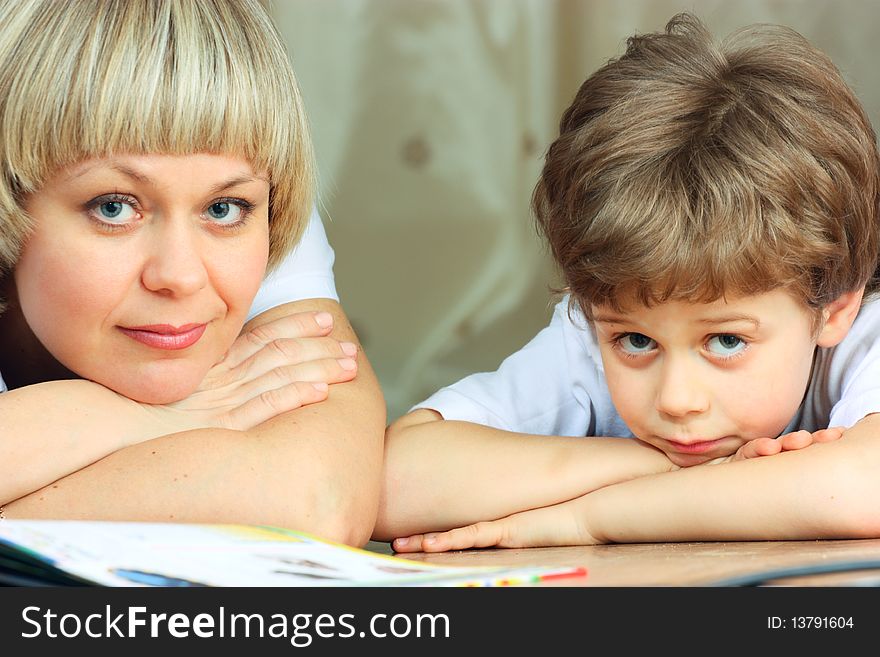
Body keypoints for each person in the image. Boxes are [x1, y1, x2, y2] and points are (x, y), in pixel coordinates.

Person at [375, 12, 880, 551]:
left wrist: (591, 519)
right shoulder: (592, 335)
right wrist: (653, 465)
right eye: (637, 342)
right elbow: (392, 485)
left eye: (726, 341)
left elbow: (863, 488)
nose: (677, 400)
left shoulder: (864, 336)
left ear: (834, 307)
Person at [0, 0, 385, 547]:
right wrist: (122, 417)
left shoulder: (257, 197)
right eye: (113, 206)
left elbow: (312, 501)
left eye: (223, 209)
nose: (180, 277)